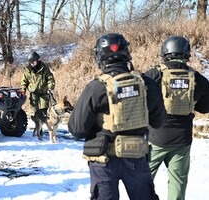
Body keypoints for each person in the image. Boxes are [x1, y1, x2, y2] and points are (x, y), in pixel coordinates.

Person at [68, 33, 166, 200]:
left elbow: (77, 129)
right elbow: (159, 121)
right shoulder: (147, 84)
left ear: (100, 57)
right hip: (136, 157)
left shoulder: (95, 88)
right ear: (126, 53)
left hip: (103, 160)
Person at [144, 35, 209, 200]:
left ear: (165, 52)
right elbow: (205, 107)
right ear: (186, 53)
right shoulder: (197, 78)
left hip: (155, 139)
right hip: (182, 141)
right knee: (177, 185)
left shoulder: (154, 74)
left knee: (142, 182)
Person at [20, 51, 56, 116]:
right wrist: (23, 89)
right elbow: (24, 81)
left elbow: (50, 78)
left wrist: (50, 86)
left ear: (38, 60)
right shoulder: (28, 70)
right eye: (31, 63)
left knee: (44, 110)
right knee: (35, 111)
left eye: (33, 62)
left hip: (44, 92)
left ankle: (45, 123)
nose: (32, 64)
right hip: (33, 92)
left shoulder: (44, 68)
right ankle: (37, 124)